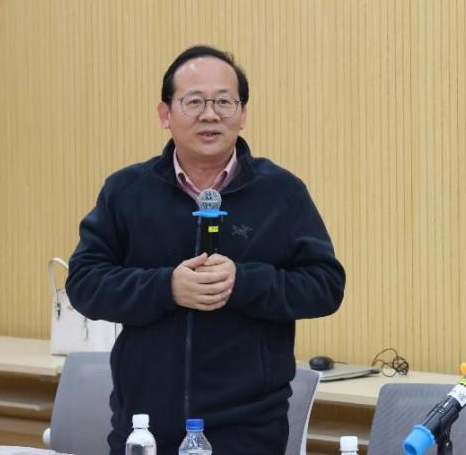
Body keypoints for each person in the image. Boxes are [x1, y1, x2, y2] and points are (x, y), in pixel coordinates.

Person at [66, 45, 346, 455]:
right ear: (165, 114)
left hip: (247, 429)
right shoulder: (127, 191)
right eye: (194, 101)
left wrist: (243, 282)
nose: (210, 114)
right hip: (145, 426)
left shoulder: (281, 193)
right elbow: (84, 282)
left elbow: (325, 285)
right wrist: (166, 287)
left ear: (243, 113)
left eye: (224, 102)